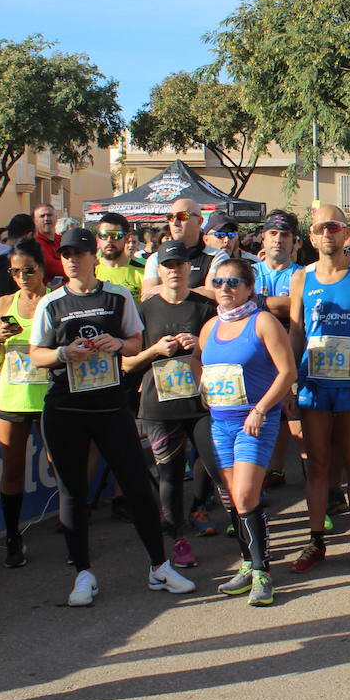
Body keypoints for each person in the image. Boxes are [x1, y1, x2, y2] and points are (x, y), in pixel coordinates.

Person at [27, 227, 195, 606]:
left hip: (109, 404)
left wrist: (118, 344)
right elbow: (35, 353)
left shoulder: (117, 296)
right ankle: (83, 574)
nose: (71, 260)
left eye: (78, 253)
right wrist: (63, 355)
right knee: (72, 492)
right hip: (65, 408)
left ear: (93, 256)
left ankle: (159, 566)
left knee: (137, 485)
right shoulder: (51, 302)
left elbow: (136, 341)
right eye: (65, 253)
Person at [194, 258, 297, 606]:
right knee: (234, 501)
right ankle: (247, 565)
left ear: (249, 288)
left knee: (246, 496)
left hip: (254, 421)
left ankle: (262, 571)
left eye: (234, 282)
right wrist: (204, 391)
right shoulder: (209, 328)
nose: (225, 288)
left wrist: (261, 409)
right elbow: (201, 363)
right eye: (219, 282)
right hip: (220, 423)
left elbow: (287, 373)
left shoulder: (263, 322)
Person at [287, 206, 350, 572]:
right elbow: (296, 332)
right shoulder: (301, 278)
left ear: (346, 234)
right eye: (319, 228)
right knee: (318, 465)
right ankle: (315, 541)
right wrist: (291, 384)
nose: (327, 233)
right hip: (313, 384)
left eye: (333, 226)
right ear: (311, 237)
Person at [123, 241, 220, 572]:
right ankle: (178, 538)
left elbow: (223, 352)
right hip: (159, 405)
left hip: (200, 401)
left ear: (187, 269)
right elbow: (126, 364)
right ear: (159, 270)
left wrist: (200, 348)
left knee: (212, 461)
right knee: (170, 473)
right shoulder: (144, 309)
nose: (175, 270)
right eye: (168, 265)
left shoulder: (205, 306)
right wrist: (154, 351)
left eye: (180, 265)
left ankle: (208, 512)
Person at [0, 238, 52, 568]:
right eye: (15, 271)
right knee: (12, 469)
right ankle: (13, 538)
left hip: (49, 396)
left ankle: (73, 532)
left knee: (60, 466)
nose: (22, 276)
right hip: (12, 396)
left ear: (41, 267)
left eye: (28, 269)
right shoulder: (2, 304)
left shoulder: (54, 300)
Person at [252, 211, 302, 488]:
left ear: (295, 241)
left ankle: (283, 470)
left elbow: (298, 306)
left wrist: (258, 301)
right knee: (259, 411)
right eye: (273, 233)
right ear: (263, 237)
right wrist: (282, 303)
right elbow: (237, 302)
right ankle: (261, 472)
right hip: (258, 355)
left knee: (292, 415)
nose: (278, 240)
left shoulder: (301, 274)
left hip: (292, 353)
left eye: (284, 235)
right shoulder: (250, 271)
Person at [141, 199, 228, 301]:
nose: (175, 223)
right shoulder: (156, 258)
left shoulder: (217, 257)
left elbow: (214, 294)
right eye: (171, 217)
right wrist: (197, 290)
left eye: (182, 216)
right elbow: (146, 295)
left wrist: (169, 290)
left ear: (199, 221)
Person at [94, 212, 145, 302]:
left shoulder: (142, 272)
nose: (109, 240)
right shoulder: (90, 271)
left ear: (126, 238)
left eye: (115, 235)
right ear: (98, 238)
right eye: (104, 235)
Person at [32, 203, 64, 282]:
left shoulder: (63, 240)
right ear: (35, 221)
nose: (46, 219)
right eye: (42, 216)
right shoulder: (34, 243)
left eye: (49, 215)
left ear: (56, 218)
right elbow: (49, 266)